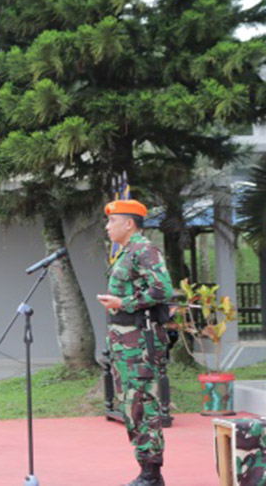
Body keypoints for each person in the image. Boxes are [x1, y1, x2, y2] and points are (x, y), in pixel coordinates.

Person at [97, 199, 173, 486]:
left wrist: (123, 302)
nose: (107, 226)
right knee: (131, 405)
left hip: (140, 342)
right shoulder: (126, 252)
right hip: (124, 343)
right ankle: (146, 469)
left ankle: (152, 474)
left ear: (129, 223)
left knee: (143, 404)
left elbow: (162, 290)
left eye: (112, 221)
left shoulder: (144, 250)